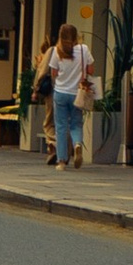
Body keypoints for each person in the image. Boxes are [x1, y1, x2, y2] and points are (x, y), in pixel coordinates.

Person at [42, 18, 93, 168]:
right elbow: (91, 70)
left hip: (60, 93)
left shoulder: (57, 51)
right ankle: (77, 144)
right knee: (76, 123)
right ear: (76, 36)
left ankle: (62, 161)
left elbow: (53, 73)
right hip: (77, 93)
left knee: (61, 127)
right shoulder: (83, 50)